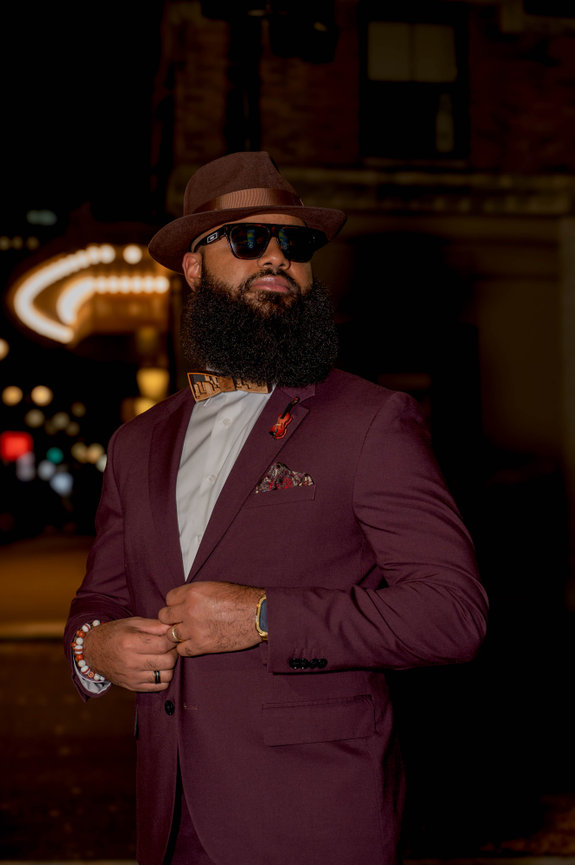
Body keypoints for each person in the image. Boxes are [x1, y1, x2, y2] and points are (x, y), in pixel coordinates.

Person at [65, 151, 488, 865]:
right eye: (246, 238)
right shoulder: (135, 444)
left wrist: (264, 615)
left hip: (313, 821)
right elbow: (99, 597)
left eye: (293, 243)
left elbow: (453, 613)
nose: (276, 258)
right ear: (193, 267)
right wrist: (95, 651)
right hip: (169, 824)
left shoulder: (370, 419)